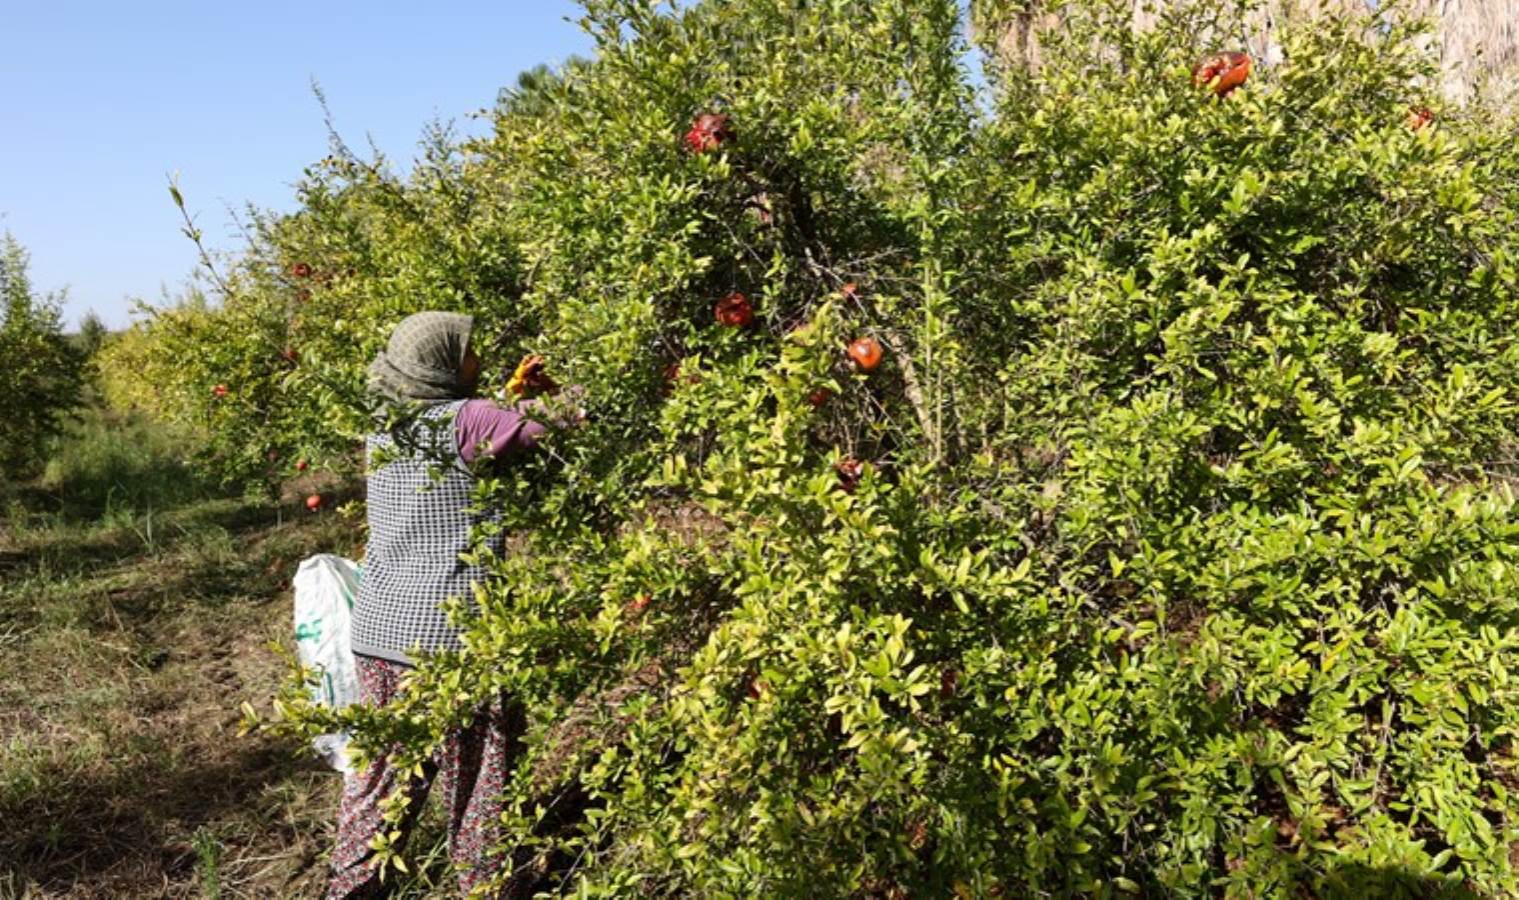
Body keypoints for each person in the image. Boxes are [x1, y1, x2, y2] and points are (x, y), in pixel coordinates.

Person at [327, 311, 571, 898]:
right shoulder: (473, 419)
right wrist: (564, 390)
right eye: (468, 352)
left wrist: (508, 396)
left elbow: (473, 430)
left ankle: (347, 890)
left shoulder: (384, 425)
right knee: (480, 782)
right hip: (454, 642)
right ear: (441, 364)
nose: (477, 359)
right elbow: (563, 420)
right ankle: (483, 890)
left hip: (381, 631)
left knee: (381, 782)